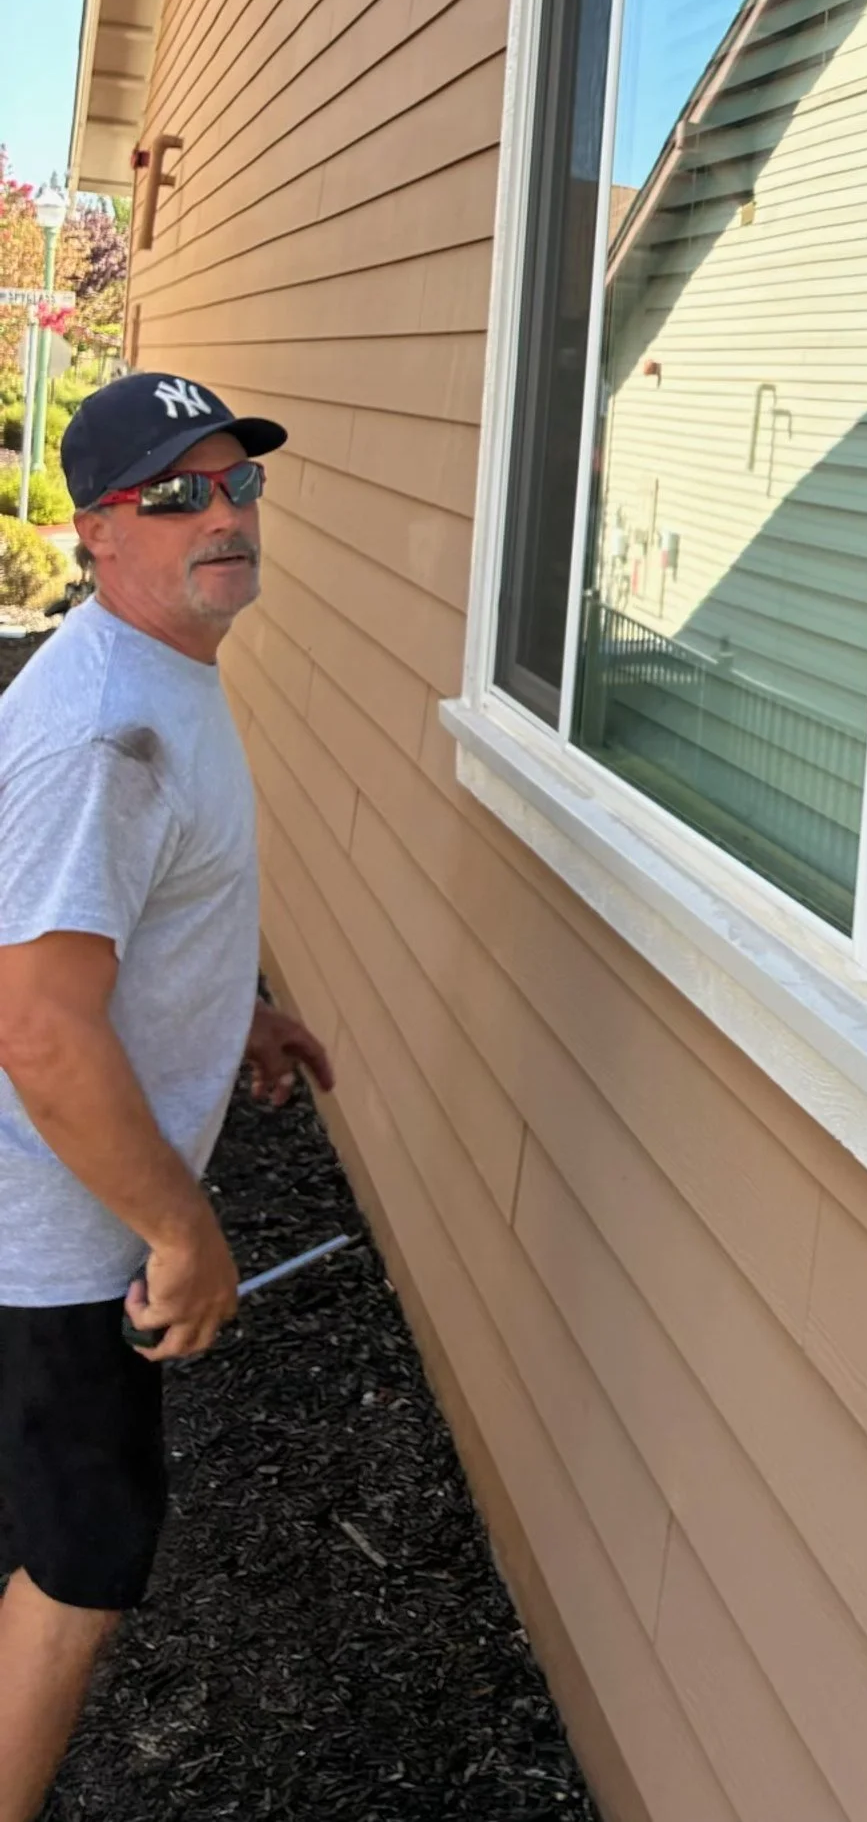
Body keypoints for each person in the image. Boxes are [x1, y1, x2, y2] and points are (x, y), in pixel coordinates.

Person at [0, 371, 334, 1820]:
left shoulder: (150, 682)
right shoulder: (107, 732)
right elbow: (41, 1025)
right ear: (95, 533)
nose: (225, 516)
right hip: (51, 1241)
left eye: (239, 483)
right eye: (177, 493)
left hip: (46, 1214)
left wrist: (229, 1006)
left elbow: (102, 937)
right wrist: (182, 1228)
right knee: (80, 1561)